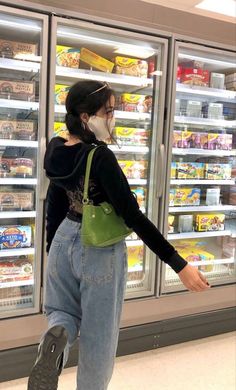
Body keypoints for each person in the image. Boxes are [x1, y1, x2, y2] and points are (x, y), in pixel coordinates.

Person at [27, 80, 210, 390]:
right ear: (85, 117)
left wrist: (51, 254)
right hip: (99, 249)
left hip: (63, 239)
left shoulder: (55, 148)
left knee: (61, 312)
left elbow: (55, 202)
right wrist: (179, 264)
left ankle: (53, 340)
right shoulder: (99, 157)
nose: (112, 117)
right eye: (108, 111)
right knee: (99, 337)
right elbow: (133, 215)